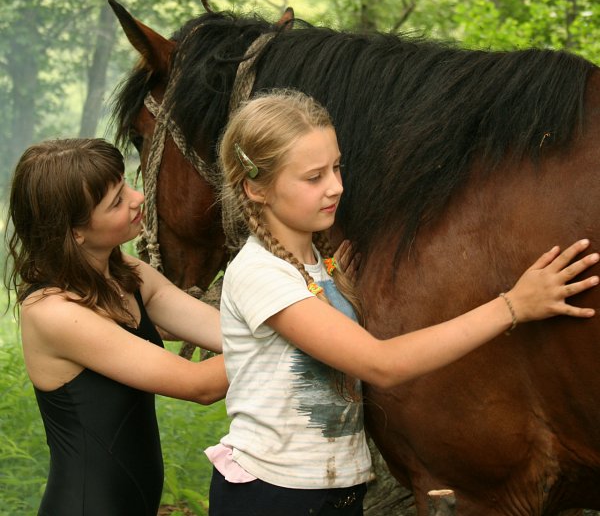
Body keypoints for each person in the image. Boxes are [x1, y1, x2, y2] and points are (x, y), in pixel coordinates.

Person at [206, 89, 599, 516]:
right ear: (255, 188)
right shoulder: (260, 274)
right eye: (313, 177)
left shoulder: (318, 267)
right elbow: (381, 364)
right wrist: (513, 305)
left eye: (337, 167)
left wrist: (339, 282)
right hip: (272, 495)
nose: (336, 187)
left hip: (328, 492)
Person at [4, 138, 229, 516]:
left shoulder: (127, 274)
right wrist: (301, 334)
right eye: (116, 201)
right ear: (74, 231)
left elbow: (226, 333)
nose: (138, 197)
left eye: (125, 185)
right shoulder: (54, 312)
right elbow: (200, 385)